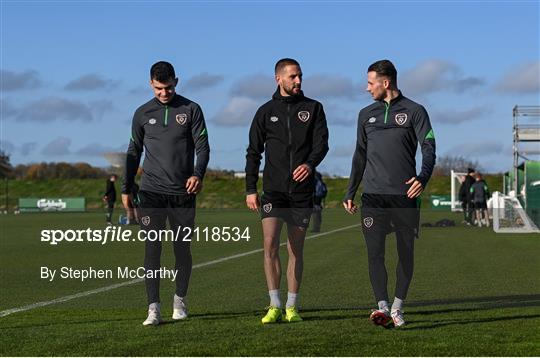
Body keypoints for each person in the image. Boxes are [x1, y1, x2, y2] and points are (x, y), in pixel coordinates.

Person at [343, 60, 436, 328]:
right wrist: (351, 190)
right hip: (372, 197)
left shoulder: (415, 111)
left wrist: (423, 177)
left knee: (406, 253)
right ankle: (382, 306)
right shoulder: (365, 114)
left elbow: (429, 147)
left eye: (370, 83)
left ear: (386, 82)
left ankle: (397, 307)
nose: (367, 88)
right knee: (375, 254)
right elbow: (359, 154)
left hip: (404, 196)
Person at [122, 61, 210, 326]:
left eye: (169, 87)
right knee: (152, 250)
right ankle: (153, 309)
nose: (164, 93)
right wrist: (126, 187)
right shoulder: (141, 113)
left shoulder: (191, 109)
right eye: (159, 88)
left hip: (183, 193)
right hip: (151, 193)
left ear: (176, 82)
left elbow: (203, 147)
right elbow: (133, 152)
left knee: (182, 250)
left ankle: (179, 302)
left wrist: (198, 174)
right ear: (151, 83)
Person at [245, 58, 329, 324]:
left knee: (295, 249)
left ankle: (292, 306)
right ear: (278, 78)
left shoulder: (313, 108)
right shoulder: (265, 111)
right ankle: (274, 305)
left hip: (302, 193)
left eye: (300, 76)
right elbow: (253, 152)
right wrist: (250, 189)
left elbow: (322, 145)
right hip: (273, 191)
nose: (298, 81)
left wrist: (309, 164)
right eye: (293, 76)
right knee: (269, 246)